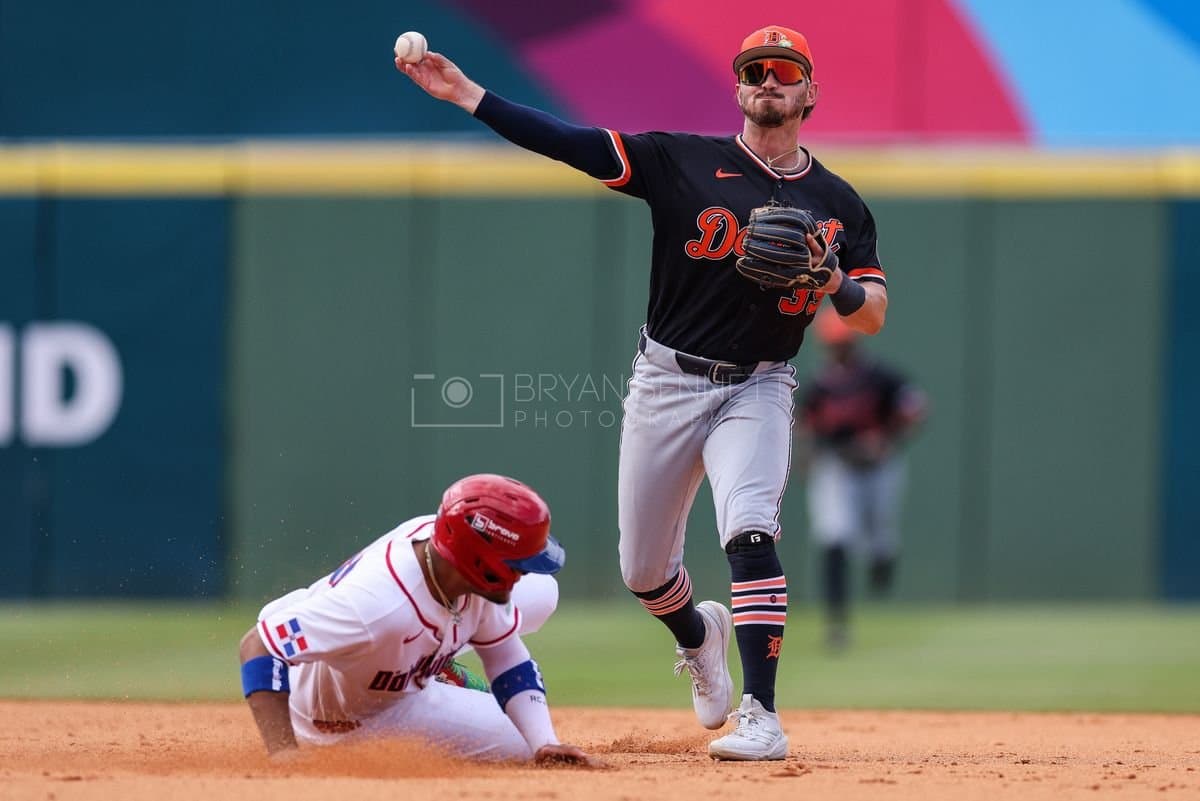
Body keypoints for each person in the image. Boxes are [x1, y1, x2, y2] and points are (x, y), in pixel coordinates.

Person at [399, 24, 887, 761]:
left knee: (749, 529)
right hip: (666, 377)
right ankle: (700, 635)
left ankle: (761, 714)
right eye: (755, 69)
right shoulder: (681, 161)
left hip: (758, 385)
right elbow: (569, 141)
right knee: (644, 571)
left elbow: (872, 311)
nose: (768, 80)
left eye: (785, 72)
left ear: (809, 92)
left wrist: (833, 282)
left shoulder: (838, 202)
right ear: (739, 87)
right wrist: (467, 94)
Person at [238, 473, 597, 766]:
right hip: (340, 716)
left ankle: (429, 662)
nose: (521, 574)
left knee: (542, 592)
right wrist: (283, 754)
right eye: (517, 565)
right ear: (480, 561)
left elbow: (506, 657)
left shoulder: (454, 550)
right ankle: (424, 664)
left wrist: (545, 742)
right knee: (517, 747)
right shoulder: (377, 608)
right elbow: (259, 644)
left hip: (381, 647)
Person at [798, 308, 927, 651]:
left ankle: (883, 558)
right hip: (837, 468)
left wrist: (886, 438)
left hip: (879, 469)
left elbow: (915, 408)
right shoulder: (820, 386)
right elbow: (804, 426)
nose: (840, 350)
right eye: (834, 344)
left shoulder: (880, 376)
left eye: (844, 343)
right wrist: (805, 461)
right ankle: (837, 624)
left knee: (879, 540)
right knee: (834, 538)